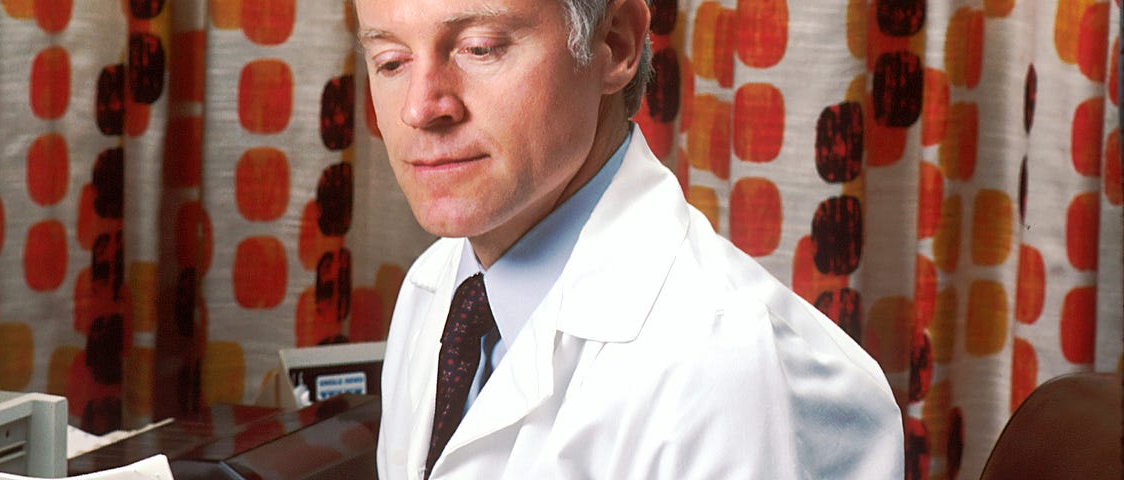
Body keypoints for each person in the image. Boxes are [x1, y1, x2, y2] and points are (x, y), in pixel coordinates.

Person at [354, 0, 904, 478]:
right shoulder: (434, 285)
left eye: (480, 47)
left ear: (616, 45)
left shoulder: (726, 365)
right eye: (391, 61)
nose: (419, 109)